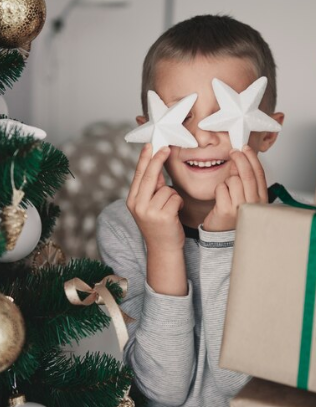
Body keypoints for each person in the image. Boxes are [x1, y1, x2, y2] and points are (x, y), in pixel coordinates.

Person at [96, 14, 285, 406]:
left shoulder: (293, 231)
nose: (200, 136)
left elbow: (242, 386)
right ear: (148, 129)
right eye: (180, 115)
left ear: (266, 132)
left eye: (224, 114)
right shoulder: (122, 227)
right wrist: (163, 249)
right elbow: (161, 390)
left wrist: (228, 243)